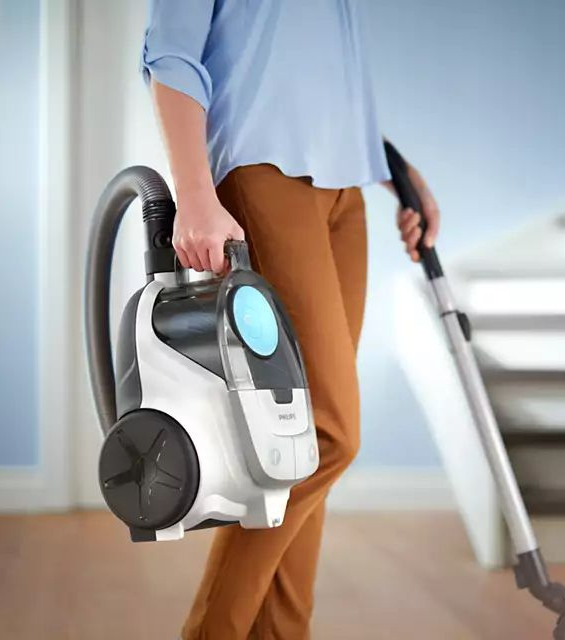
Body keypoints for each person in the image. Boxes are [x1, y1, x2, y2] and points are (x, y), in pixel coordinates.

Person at [141, 1, 440, 638]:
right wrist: (193, 194)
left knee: (305, 441)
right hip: (263, 171)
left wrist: (393, 167)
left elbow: (316, 68)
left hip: (346, 186)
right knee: (328, 433)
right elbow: (171, 51)